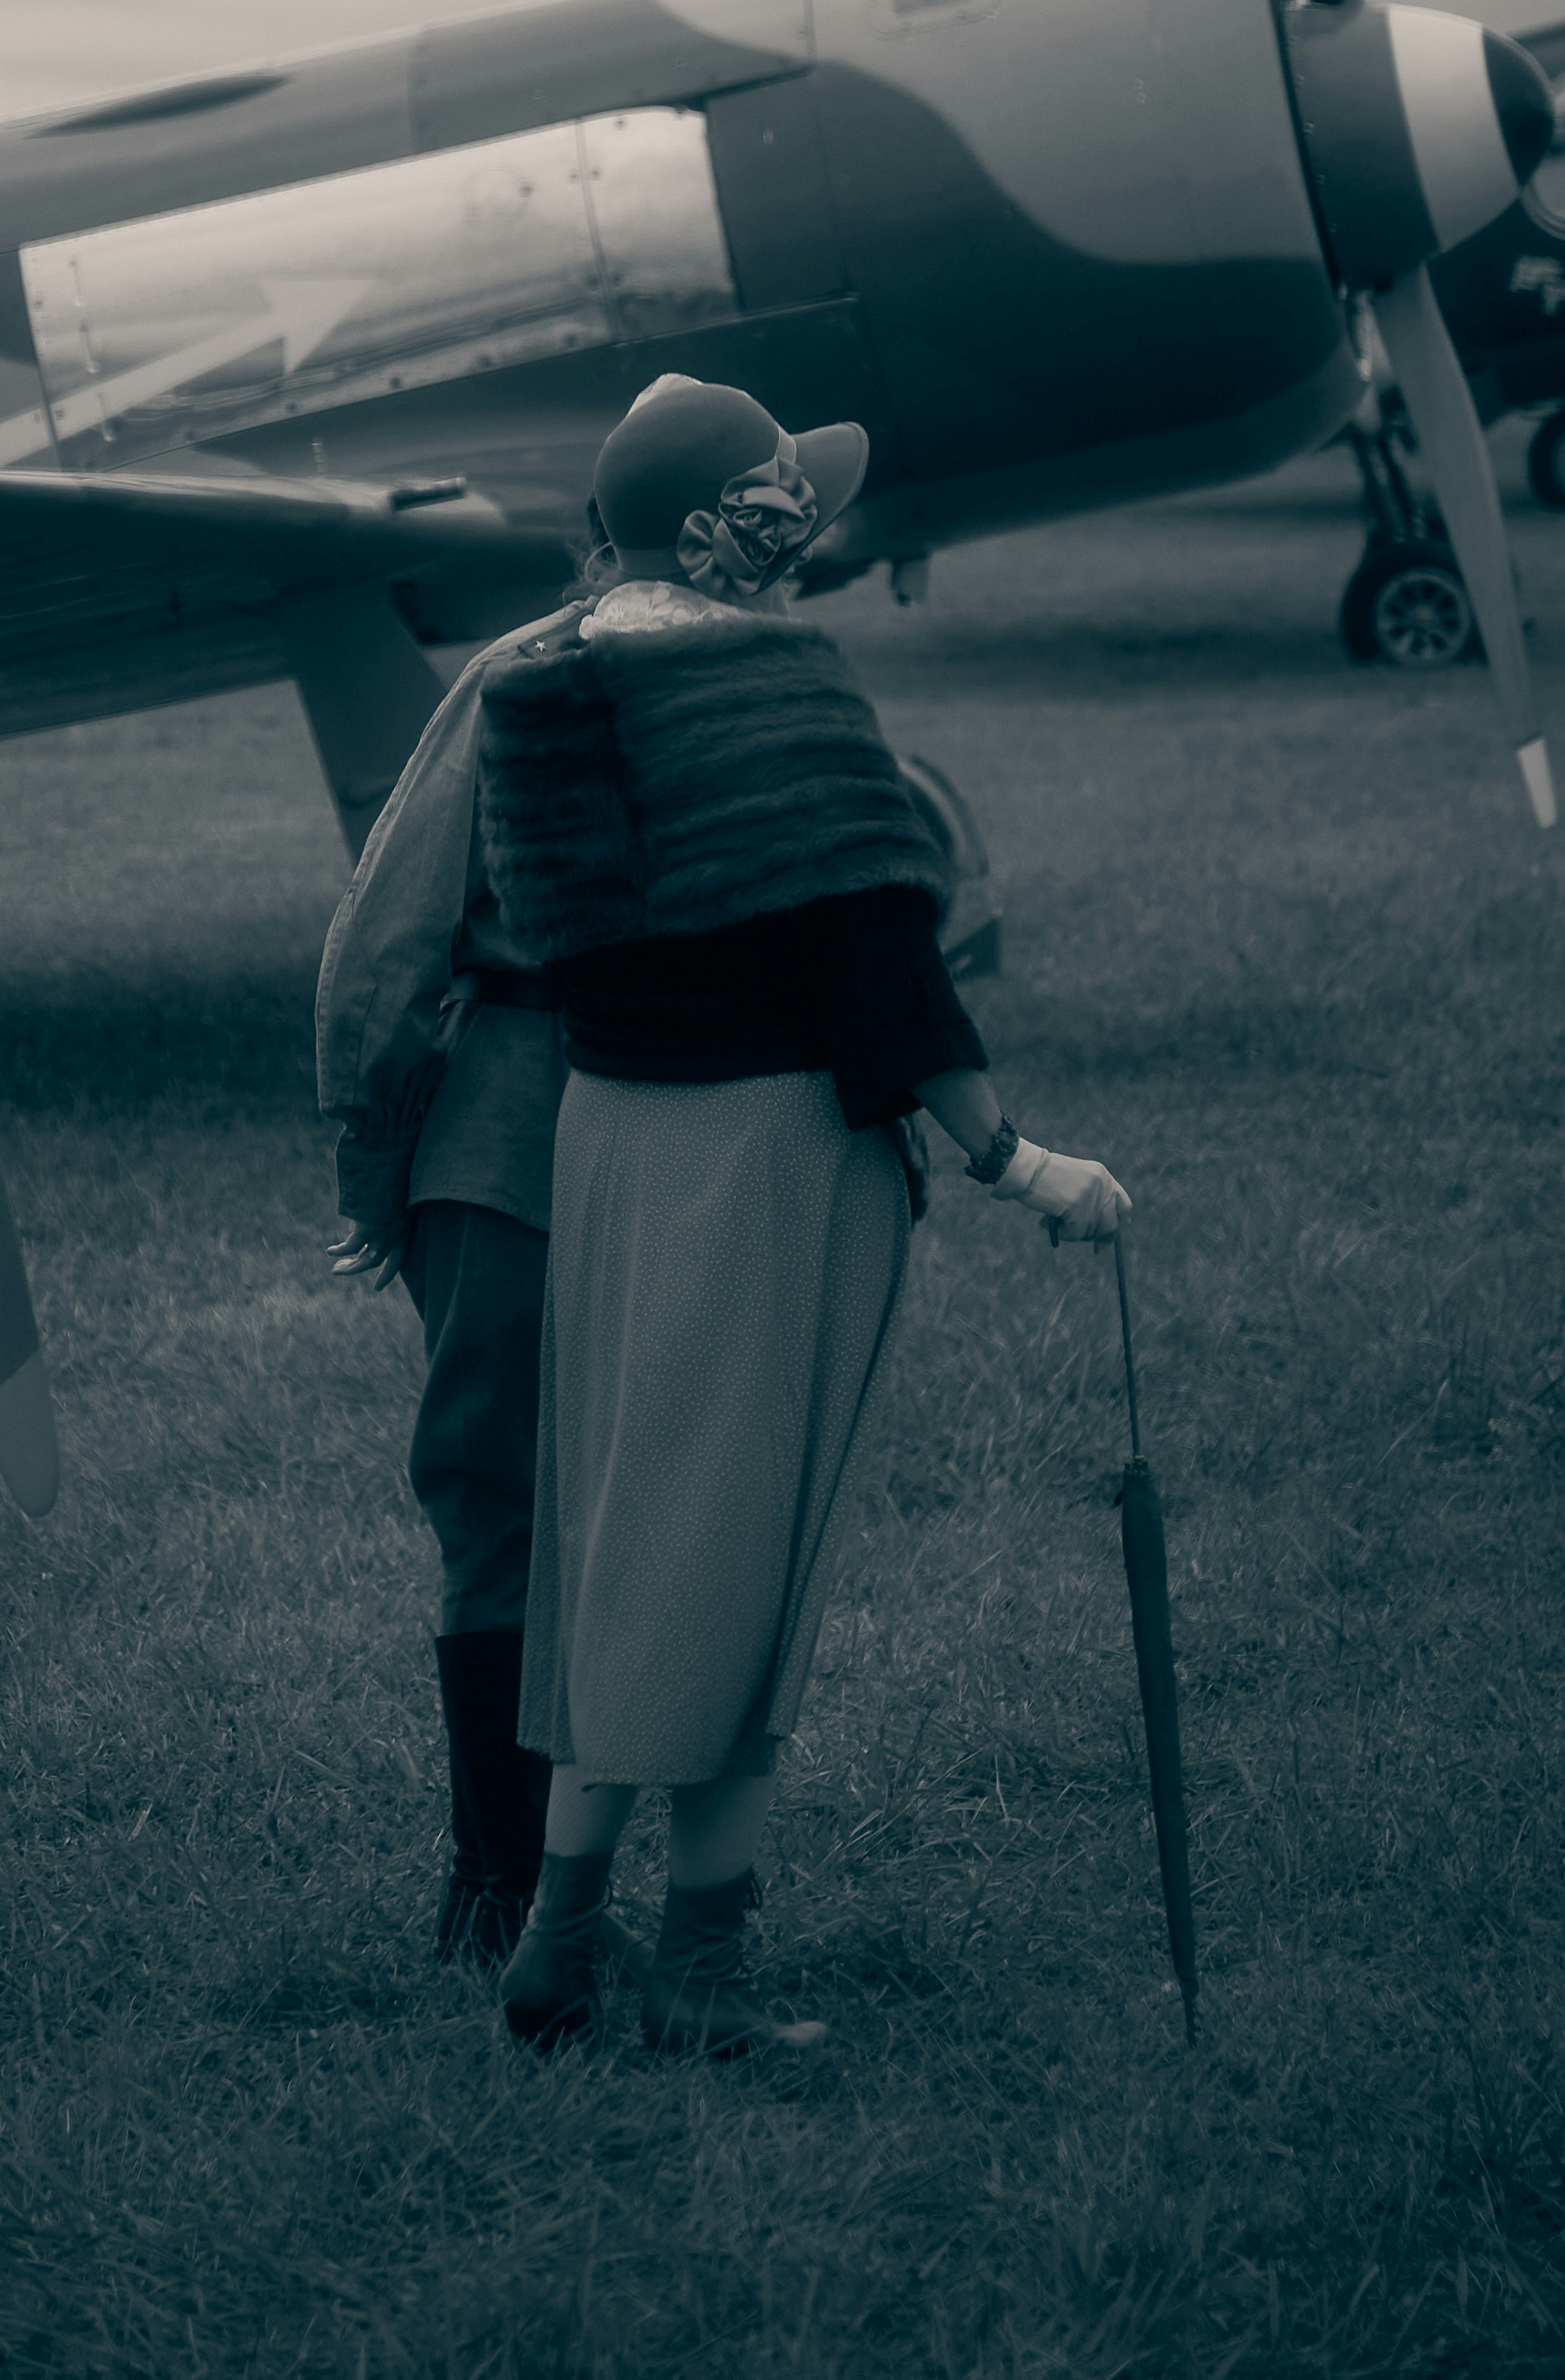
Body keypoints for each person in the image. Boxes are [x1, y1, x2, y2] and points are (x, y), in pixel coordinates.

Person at [472, 374, 1129, 2059]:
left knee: (622, 1542)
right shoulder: (780, 686)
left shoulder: (538, 685)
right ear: (717, 527)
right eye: (778, 495)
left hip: (608, 1140)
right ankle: (695, 1979)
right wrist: (1019, 1162)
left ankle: (558, 1945)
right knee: (734, 1571)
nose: (805, 519)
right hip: (763, 1163)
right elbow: (876, 970)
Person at [316, 612, 575, 1957]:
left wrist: (371, 1160)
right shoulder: (728, 668)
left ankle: (508, 1893)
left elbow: (389, 938)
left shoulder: (530, 668)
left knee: (512, 1519)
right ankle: (511, 1888)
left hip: (531, 1140)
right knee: (543, 1519)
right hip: (608, 1140)